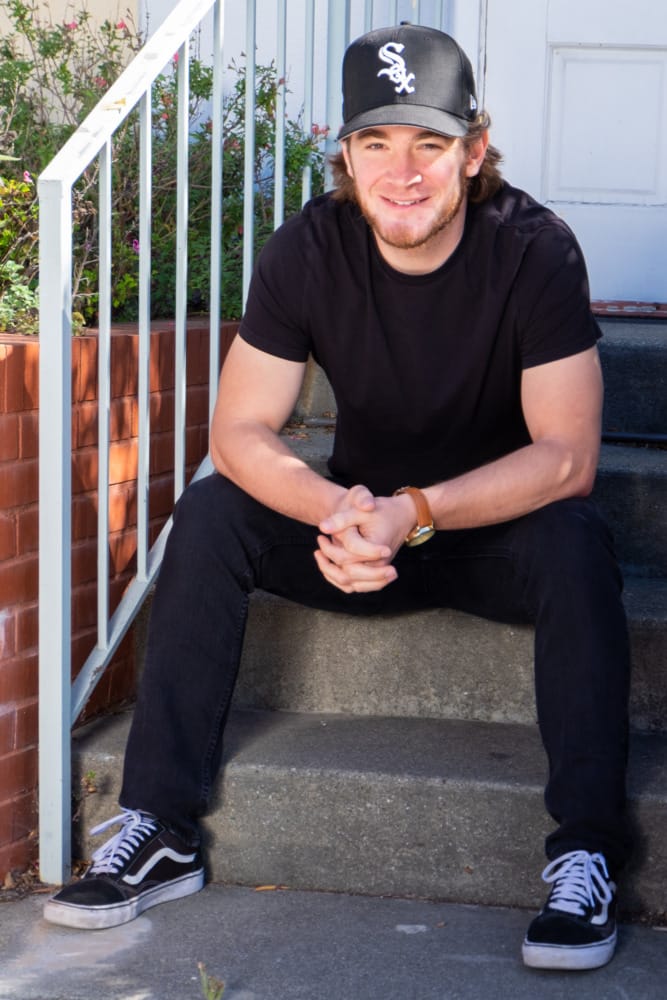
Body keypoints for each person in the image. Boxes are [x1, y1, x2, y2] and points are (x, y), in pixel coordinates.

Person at [44, 23, 631, 972]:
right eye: (376, 143)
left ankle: (587, 853)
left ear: (473, 150)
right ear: (346, 155)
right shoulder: (308, 248)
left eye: (429, 143)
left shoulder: (534, 250)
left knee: (575, 540)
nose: (402, 173)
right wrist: (332, 511)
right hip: (355, 534)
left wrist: (414, 511)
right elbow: (239, 430)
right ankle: (162, 827)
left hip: (486, 536)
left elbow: (566, 458)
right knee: (212, 512)